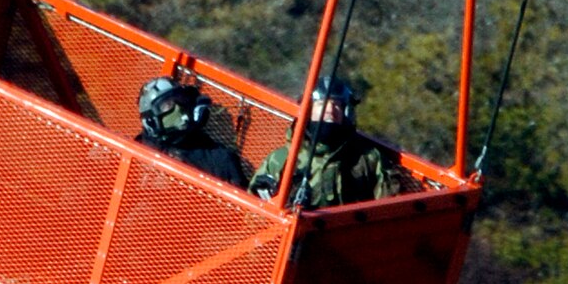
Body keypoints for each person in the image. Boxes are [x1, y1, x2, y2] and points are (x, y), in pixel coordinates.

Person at [249, 74, 398, 207]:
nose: (330, 111)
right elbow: (251, 221)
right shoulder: (280, 160)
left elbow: (388, 214)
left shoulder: (368, 160)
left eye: (336, 105)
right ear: (308, 110)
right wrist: (269, 200)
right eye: (322, 104)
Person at [136, 75, 245, 186]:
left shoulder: (220, 160)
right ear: (151, 121)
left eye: (179, 99)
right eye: (167, 105)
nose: (178, 108)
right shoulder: (139, 151)